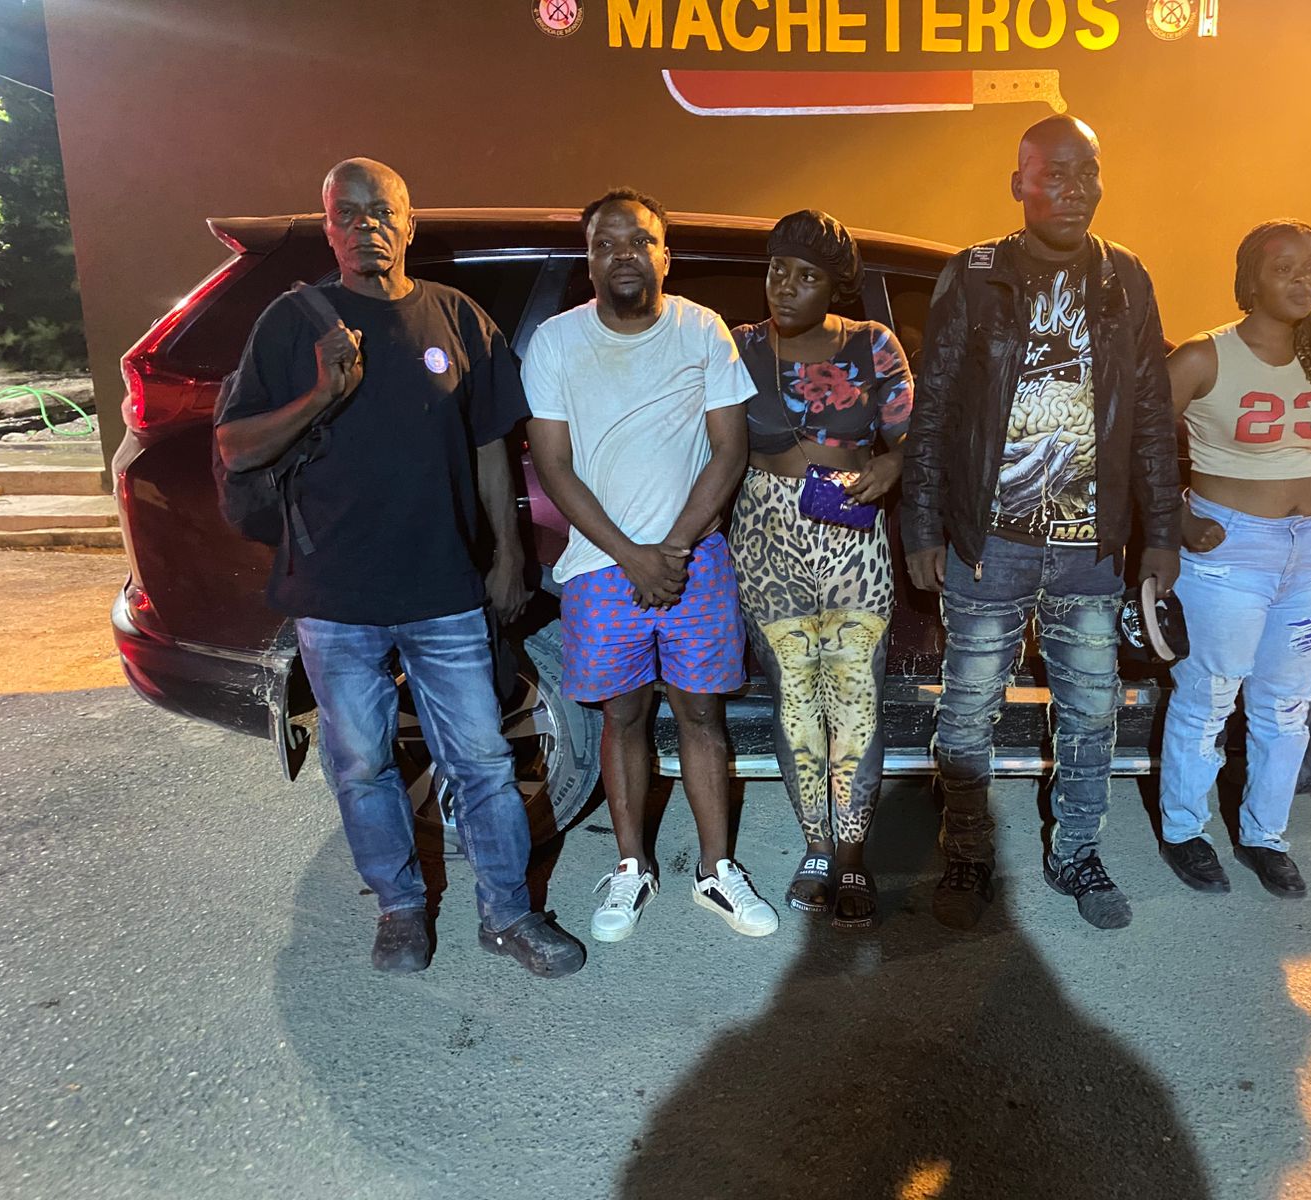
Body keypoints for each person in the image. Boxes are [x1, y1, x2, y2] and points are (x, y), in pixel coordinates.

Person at [215, 158, 584, 977]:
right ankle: (400, 910)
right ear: (328, 228)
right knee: (361, 763)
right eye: (346, 214)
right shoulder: (290, 324)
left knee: (482, 760)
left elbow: (492, 447)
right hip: (335, 597)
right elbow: (235, 446)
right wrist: (320, 393)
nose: (365, 227)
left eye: (380, 211)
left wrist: (508, 557)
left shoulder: (457, 317)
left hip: (444, 589)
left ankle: (509, 915)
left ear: (409, 224)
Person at [901, 116, 1182, 932]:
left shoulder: (1126, 277)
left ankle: (1077, 853)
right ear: (1018, 183)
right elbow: (935, 407)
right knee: (967, 713)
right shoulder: (974, 275)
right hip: (989, 543)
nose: (1074, 189)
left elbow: (1152, 413)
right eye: (1054, 173)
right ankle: (967, 854)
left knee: (1092, 712)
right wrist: (922, 523)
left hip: (1091, 546)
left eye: (1087, 171)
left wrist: (1161, 532)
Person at [523, 188, 778, 943]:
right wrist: (631, 556)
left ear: (666, 254)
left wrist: (671, 550)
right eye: (605, 244)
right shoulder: (557, 342)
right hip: (601, 567)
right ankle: (631, 866)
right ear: (589, 261)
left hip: (695, 560)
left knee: (702, 714)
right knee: (622, 716)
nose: (623, 256)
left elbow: (729, 450)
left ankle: (716, 870)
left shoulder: (702, 330)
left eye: (639, 241)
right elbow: (553, 464)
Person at [1156, 220, 1311, 899]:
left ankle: (1266, 837)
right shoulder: (1202, 357)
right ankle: (1185, 831)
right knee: (1209, 697)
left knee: (1285, 707)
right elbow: (1133, 444)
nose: (1303, 280)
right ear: (1249, 282)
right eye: (1284, 268)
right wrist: (1179, 520)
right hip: (1232, 553)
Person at [730, 210, 914, 930]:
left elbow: (913, 435)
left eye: (806, 275)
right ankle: (815, 845)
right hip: (765, 532)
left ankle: (854, 853)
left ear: (835, 286)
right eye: (778, 268)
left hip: (851, 532)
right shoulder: (740, 346)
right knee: (795, 700)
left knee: (856, 701)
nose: (785, 285)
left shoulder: (873, 344)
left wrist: (892, 465)